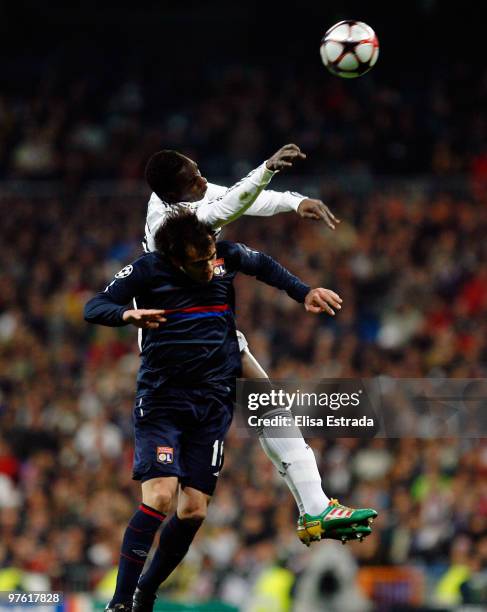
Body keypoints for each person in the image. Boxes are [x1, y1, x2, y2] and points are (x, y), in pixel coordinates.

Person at [84, 210, 377, 612]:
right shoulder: (148, 270)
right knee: (161, 496)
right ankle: (119, 603)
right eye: (199, 263)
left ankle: (145, 592)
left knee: (193, 510)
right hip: (164, 400)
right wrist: (125, 314)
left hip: (212, 402)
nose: (210, 267)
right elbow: (93, 306)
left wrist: (303, 291)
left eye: (211, 258)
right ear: (173, 258)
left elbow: (263, 266)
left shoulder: (222, 255)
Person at [143, 144, 355, 548]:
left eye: (200, 170)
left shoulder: (187, 195)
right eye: (193, 180)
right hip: (176, 348)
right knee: (177, 500)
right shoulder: (167, 224)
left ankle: (315, 506)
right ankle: (134, 587)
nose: (203, 181)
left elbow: (230, 197)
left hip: (209, 334)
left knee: (268, 404)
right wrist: (266, 169)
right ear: (174, 194)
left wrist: (297, 203)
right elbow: (224, 210)